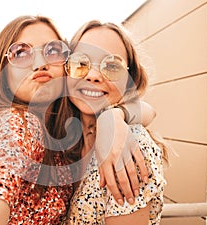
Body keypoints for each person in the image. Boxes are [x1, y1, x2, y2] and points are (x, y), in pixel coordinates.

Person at [0, 15, 155, 225]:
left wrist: (115, 116)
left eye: (52, 51)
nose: (40, 63)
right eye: (20, 53)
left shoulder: (67, 133)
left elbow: (148, 111)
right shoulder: (17, 127)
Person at [63, 20, 168, 225]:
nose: (93, 76)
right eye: (80, 63)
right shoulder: (62, 139)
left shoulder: (129, 145)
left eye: (112, 66)